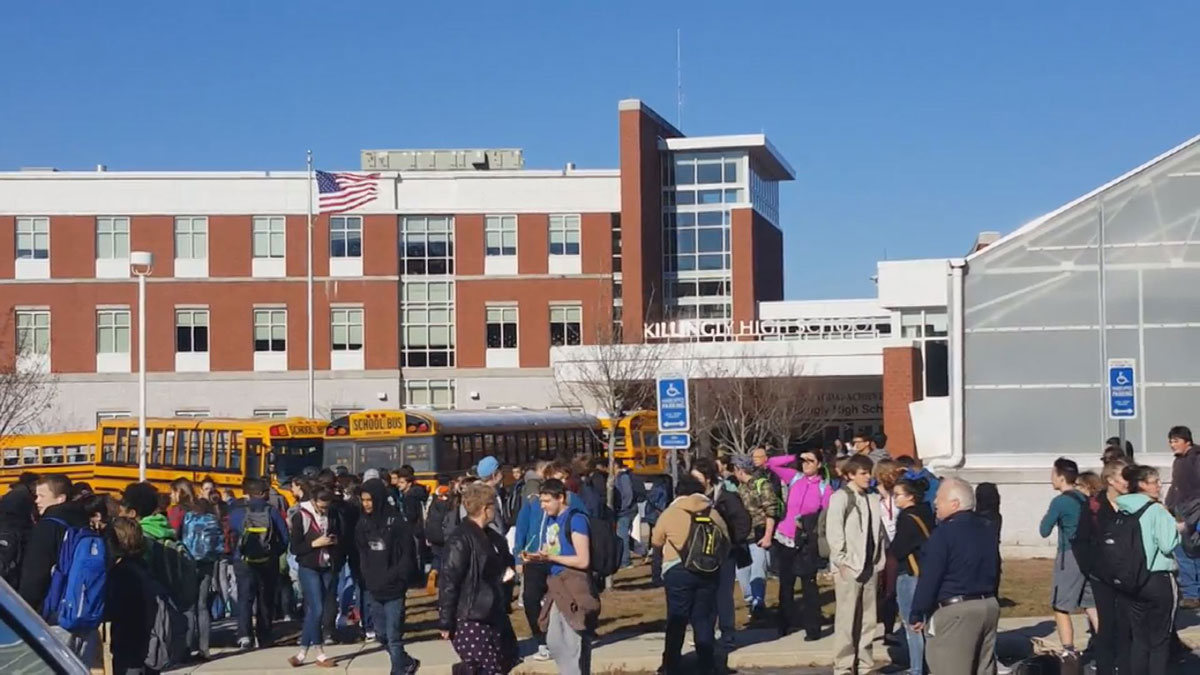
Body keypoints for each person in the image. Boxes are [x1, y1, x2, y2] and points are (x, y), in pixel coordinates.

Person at [909, 478, 1000, 675]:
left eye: (939, 498)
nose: (934, 503)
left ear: (955, 504)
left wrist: (918, 611)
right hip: (988, 605)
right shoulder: (987, 529)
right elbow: (996, 567)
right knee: (983, 668)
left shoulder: (944, 533)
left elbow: (931, 575)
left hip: (956, 610)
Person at [651, 475, 729, 675]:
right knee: (703, 618)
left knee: (677, 619)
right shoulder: (711, 511)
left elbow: (657, 541)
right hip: (708, 571)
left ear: (678, 492)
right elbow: (725, 540)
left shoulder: (671, 513)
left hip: (677, 570)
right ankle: (706, 663)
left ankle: (671, 664)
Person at [438, 482, 519, 675]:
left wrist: (507, 575)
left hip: (494, 613)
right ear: (485, 508)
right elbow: (449, 581)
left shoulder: (493, 538)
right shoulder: (461, 539)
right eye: (494, 505)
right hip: (470, 616)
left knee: (503, 662)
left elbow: (501, 568)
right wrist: (445, 621)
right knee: (484, 668)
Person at [513, 463, 585, 661]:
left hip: (560, 559)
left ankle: (567, 638)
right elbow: (521, 528)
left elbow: (584, 523)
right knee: (530, 599)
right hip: (535, 558)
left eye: (562, 479)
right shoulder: (535, 504)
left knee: (560, 599)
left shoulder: (573, 502)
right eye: (554, 478)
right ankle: (541, 640)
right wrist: (519, 555)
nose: (560, 482)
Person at [527, 478, 597, 675]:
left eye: (547, 501)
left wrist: (551, 556)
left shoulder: (577, 520)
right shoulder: (551, 520)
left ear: (561, 498)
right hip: (556, 583)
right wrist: (540, 555)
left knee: (571, 640)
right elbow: (553, 549)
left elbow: (583, 560)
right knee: (554, 639)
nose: (543, 506)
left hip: (574, 584)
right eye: (541, 501)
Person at [1116, 464, 1180, 674]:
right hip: (1158, 577)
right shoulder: (1155, 510)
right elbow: (1167, 544)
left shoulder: (1123, 508)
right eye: (1155, 482)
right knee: (1160, 640)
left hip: (1132, 579)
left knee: (1140, 639)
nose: (1160, 485)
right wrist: (1176, 527)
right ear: (1142, 485)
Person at [826, 454, 885, 675]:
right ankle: (843, 665)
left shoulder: (871, 498)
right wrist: (842, 562)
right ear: (850, 474)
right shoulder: (841, 497)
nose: (868, 477)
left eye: (869, 472)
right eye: (863, 473)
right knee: (847, 619)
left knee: (868, 620)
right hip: (850, 567)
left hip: (870, 565)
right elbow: (834, 531)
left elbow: (878, 532)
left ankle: (865, 663)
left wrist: (879, 561)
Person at [356, 479, 420, 675]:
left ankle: (398, 670)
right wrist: (366, 576)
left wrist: (399, 576)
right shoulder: (363, 523)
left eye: (370, 500)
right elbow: (362, 552)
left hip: (394, 588)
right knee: (382, 635)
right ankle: (407, 662)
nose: (366, 504)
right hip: (374, 587)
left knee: (393, 635)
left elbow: (408, 553)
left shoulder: (396, 522)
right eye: (363, 500)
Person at [767, 448, 831, 639]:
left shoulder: (825, 488)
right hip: (785, 538)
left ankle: (813, 629)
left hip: (806, 542)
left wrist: (808, 523)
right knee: (785, 585)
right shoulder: (795, 478)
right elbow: (771, 463)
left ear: (819, 464)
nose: (806, 464)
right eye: (803, 461)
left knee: (809, 586)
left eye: (810, 461)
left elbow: (827, 516)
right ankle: (784, 625)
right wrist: (795, 456)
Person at [1076, 459, 1131, 675]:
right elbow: (1080, 540)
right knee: (1106, 627)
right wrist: (1092, 569)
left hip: (1130, 576)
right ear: (1110, 480)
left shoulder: (1134, 504)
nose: (1128, 482)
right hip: (1102, 577)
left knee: (1129, 629)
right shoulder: (1094, 506)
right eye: (1124, 478)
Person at [1037, 457, 1096, 658]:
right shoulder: (1084, 499)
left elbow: (1044, 530)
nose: (1051, 478)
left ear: (1061, 477)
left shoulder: (1060, 502)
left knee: (1061, 606)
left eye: (1053, 474)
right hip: (1089, 555)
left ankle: (1068, 650)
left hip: (1069, 555)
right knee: (1091, 604)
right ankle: (1107, 644)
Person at [692, 456, 750, 653]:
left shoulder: (725, 496)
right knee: (703, 595)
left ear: (708, 478)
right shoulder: (694, 498)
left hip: (725, 553)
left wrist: (733, 543)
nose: (694, 482)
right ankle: (705, 633)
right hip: (702, 554)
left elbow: (743, 521)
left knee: (723, 595)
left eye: (697, 477)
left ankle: (728, 633)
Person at [228, 477, 290, 650]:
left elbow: (230, 534)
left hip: (243, 561)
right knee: (265, 599)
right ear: (262, 493)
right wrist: (274, 554)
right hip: (268, 561)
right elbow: (285, 537)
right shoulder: (271, 511)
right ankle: (264, 635)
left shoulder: (237, 512)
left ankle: (244, 636)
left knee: (245, 598)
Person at [18, 474, 83, 616]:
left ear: (60, 498)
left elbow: (35, 575)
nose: (36, 501)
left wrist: (23, 608)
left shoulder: (47, 527)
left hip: (52, 609)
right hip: (80, 606)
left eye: (42, 496)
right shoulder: (83, 522)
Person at [289, 487, 340, 667]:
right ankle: (319, 652)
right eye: (321, 507)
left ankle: (302, 653)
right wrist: (314, 544)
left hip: (326, 564)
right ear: (313, 502)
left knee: (314, 611)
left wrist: (334, 541)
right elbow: (295, 548)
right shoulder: (300, 516)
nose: (324, 511)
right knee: (317, 609)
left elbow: (338, 533)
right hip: (309, 566)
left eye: (327, 507)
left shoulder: (332, 514)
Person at [889, 479, 934, 675]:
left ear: (910, 497)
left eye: (897, 494)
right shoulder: (926, 514)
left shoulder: (907, 518)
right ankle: (927, 664)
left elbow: (898, 549)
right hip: (925, 573)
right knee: (925, 623)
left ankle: (916, 668)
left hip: (909, 573)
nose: (894, 498)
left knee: (912, 625)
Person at [105, 516, 161, 675]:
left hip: (129, 647)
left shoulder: (122, 573)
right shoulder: (143, 566)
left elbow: (115, 610)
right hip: (147, 644)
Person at [731, 453, 776, 622]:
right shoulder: (739, 489)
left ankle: (758, 604)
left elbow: (771, 511)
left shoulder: (762, 485)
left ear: (739, 469)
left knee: (758, 573)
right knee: (742, 574)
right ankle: (750, 602)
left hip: (759, 536)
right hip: (742, 538)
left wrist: (768, 536)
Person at [1164, 425, 1200, 608]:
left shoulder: (1196, 459)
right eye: (1170, 441)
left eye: (1176, 440)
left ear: (1187, 441)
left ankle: (1193, 593)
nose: (1172, 444)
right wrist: (1168, 504)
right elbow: (1175, 486)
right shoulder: (1178, 461)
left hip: (1195, 513)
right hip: (1182, 511)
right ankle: (1192, 593)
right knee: (1185, 551)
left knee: (1189, 552)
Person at [613, 462, 643, 569]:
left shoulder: (623, 477)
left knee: (622, 534)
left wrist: (622, 507)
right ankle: (641, 550)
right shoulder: (618, 477)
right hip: (623, 510)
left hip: (625, 511)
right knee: (622, 533)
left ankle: (625, 561)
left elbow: (627, 494)